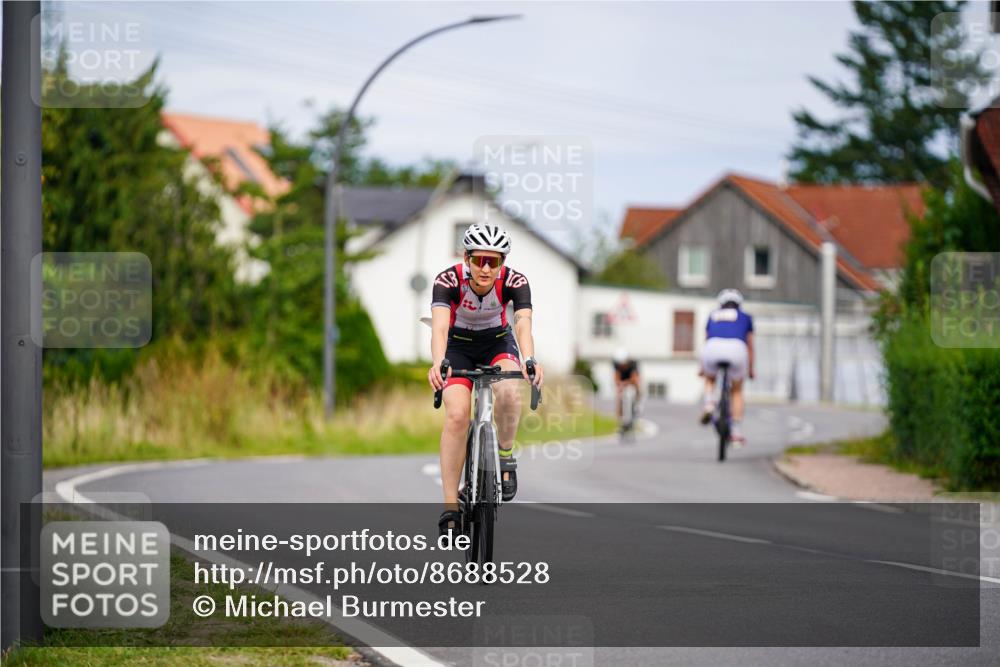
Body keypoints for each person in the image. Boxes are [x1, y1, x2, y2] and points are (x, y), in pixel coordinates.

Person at [427, 223, 544, 535]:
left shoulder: (515, 282)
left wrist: (529, 359)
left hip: (497, 342)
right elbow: (439, 327)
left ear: (502, 263)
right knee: (456, 415)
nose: (487, 268)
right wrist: (439, 362)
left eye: (494, 261)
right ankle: (451, 507)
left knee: (509, 392)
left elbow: (522, 324)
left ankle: (505, 455)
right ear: (467, 258)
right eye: (480, 260)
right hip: (457, 346)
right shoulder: (448, 280)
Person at [699, 289, 755, 446]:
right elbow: (750, 345)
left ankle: (709, 403)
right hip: (737, 349)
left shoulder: (712, 315)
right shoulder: (745, 317)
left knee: (710, 377)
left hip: (713, 348)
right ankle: (736, 433)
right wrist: (751, 369)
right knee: (736, 390)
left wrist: (702, 368)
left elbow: (706, 341)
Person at [612, 347, 641, 427]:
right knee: (619, 396)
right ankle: (620, 420)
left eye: (624, 364)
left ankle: (637, 404)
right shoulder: (616, 364)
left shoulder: (633, 364)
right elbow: (616, 377)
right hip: (622, 380)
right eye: (620, 365)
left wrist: (626, 384)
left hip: (631, 380)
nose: (622, 366)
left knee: (635, 390)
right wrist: (619, 386)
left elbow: (635, 379)